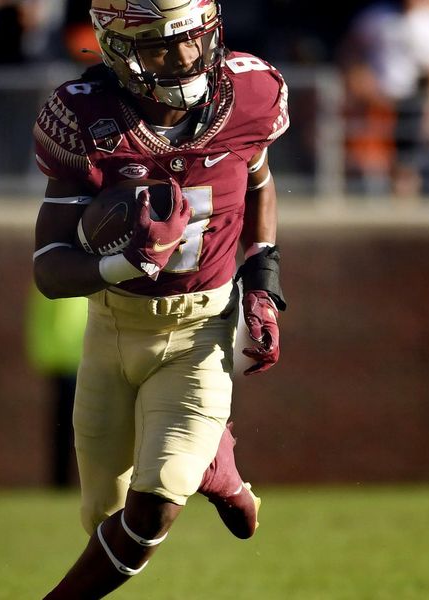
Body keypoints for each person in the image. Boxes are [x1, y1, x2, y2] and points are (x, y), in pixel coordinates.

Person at [31, 1, 289, 596]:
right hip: (113, 327)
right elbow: (50, 269)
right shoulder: (84, 117)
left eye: (192, 40)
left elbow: (259, 178)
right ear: (118, 49)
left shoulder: (248, 93)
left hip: (203, 330)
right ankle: (215, 464)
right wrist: (130, 261)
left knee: (152, 512)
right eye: (159, 46)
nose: (184, 58)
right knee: (104, 516)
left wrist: (263, 284)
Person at [338, 0, 429, 197]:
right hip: (375, 103)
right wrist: (359, 77)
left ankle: (405, 213)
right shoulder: (376, 16)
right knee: (367, 163)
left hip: (412, 102)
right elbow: (350, 52)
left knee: (407, 166)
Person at [24, 289, 87, 487]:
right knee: (63, 425)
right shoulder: (49, 281)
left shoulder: (88, 277)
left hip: (85, 361)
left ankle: (80, 481)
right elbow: (40, 320)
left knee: (86, 426)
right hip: (62, 364)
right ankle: (60, 481)